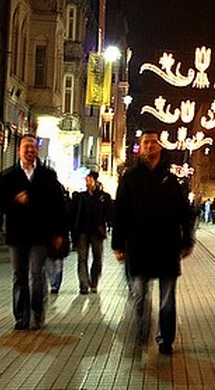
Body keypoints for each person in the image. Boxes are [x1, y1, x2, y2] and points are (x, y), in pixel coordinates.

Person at [112, 130, 196, 356]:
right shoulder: (130, 177)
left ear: (160, 147)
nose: (149, 146)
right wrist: (118, 244)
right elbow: (120, 212)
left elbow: (184, 213)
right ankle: (140, 334)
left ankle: (165, 340)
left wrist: (186, 239)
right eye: (145, 142)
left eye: (153, 142)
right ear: (141, 148)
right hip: (139, 246)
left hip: (167, 246)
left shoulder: (171, 180)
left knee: (167, 299)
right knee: (139, 295)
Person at [0, 134, 69, 330]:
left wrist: (59, 233)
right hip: (17, 234)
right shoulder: (8, 175)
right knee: (19, 276)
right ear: (19, 150)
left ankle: (37, 314)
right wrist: (14, 200)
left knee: (36, 274)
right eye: (26, 147)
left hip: (40, 234)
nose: (30, 151)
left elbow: (59, 205)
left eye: (33, 147)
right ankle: (21, 317)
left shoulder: (47, 176)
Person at [72, 170, 113, 294]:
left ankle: (94, 282)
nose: (88, 182)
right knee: (82, 258)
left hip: (97, 232)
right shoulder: (81, 197)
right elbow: (75, 214)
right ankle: (83, 284)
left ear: (95, 181)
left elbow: (109, 213)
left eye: (90, 179)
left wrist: (105, 225)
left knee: (97, 258)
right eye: (87, 179)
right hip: (82, 231)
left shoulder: (103, 197)